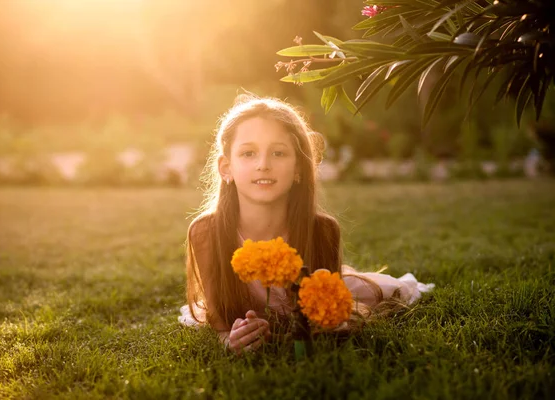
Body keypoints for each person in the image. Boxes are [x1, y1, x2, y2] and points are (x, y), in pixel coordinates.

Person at [179, 95, 434, 354]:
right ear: (226, 168)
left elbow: (323, 317)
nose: (263, 165)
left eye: (278, 153)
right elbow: (221, 323)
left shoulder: (322, 230)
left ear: (299, 167)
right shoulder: (206, 232)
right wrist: (231, 340)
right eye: (248, 153)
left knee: (369, 292)